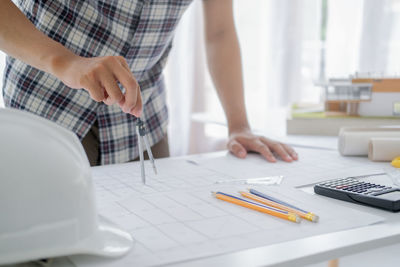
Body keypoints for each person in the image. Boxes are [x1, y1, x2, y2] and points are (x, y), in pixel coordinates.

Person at [0, 0, 298, 166]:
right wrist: (66, 62)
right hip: (45, 108)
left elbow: (219, 31)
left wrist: (239, 125)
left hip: (142, 125)